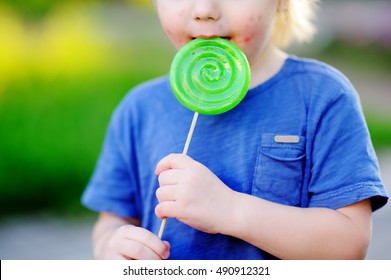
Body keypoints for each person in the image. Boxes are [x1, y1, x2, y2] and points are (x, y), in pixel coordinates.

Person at [82, 0, 389, 260]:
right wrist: (112, 246)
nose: (205, 10)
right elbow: (113, 219)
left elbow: (349, 244)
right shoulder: (139, 109)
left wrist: (230, 210)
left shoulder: (322, 96)